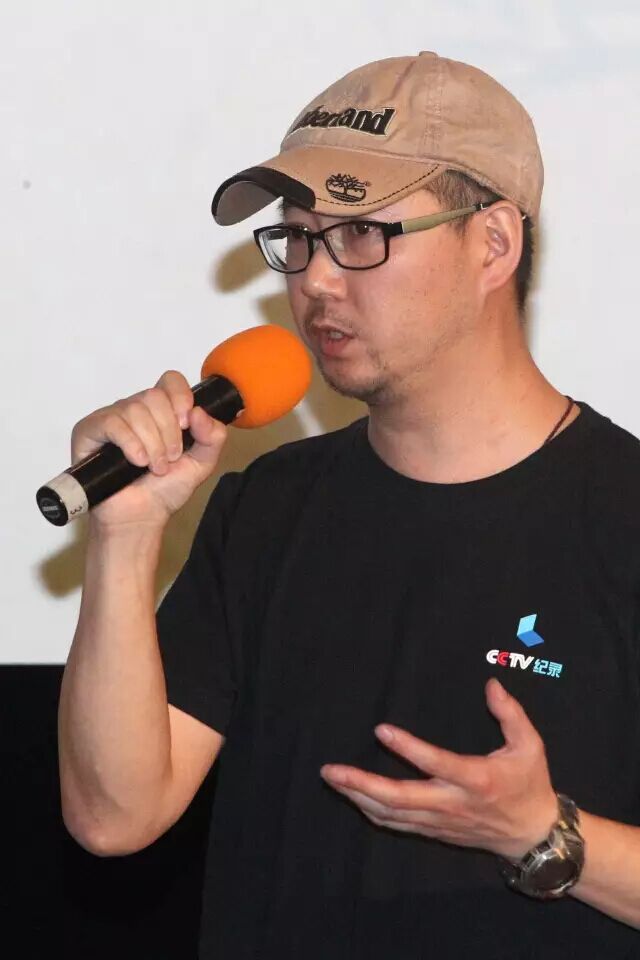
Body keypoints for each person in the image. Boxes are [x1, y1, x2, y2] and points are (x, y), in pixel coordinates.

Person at [58, 51, 640, 957]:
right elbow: (113, 817)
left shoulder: (622, 513)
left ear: (493, 244)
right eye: (299, 238)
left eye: (362, 234)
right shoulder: (265, 509)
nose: (316, 281)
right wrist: (124, 538)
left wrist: (545, 834)